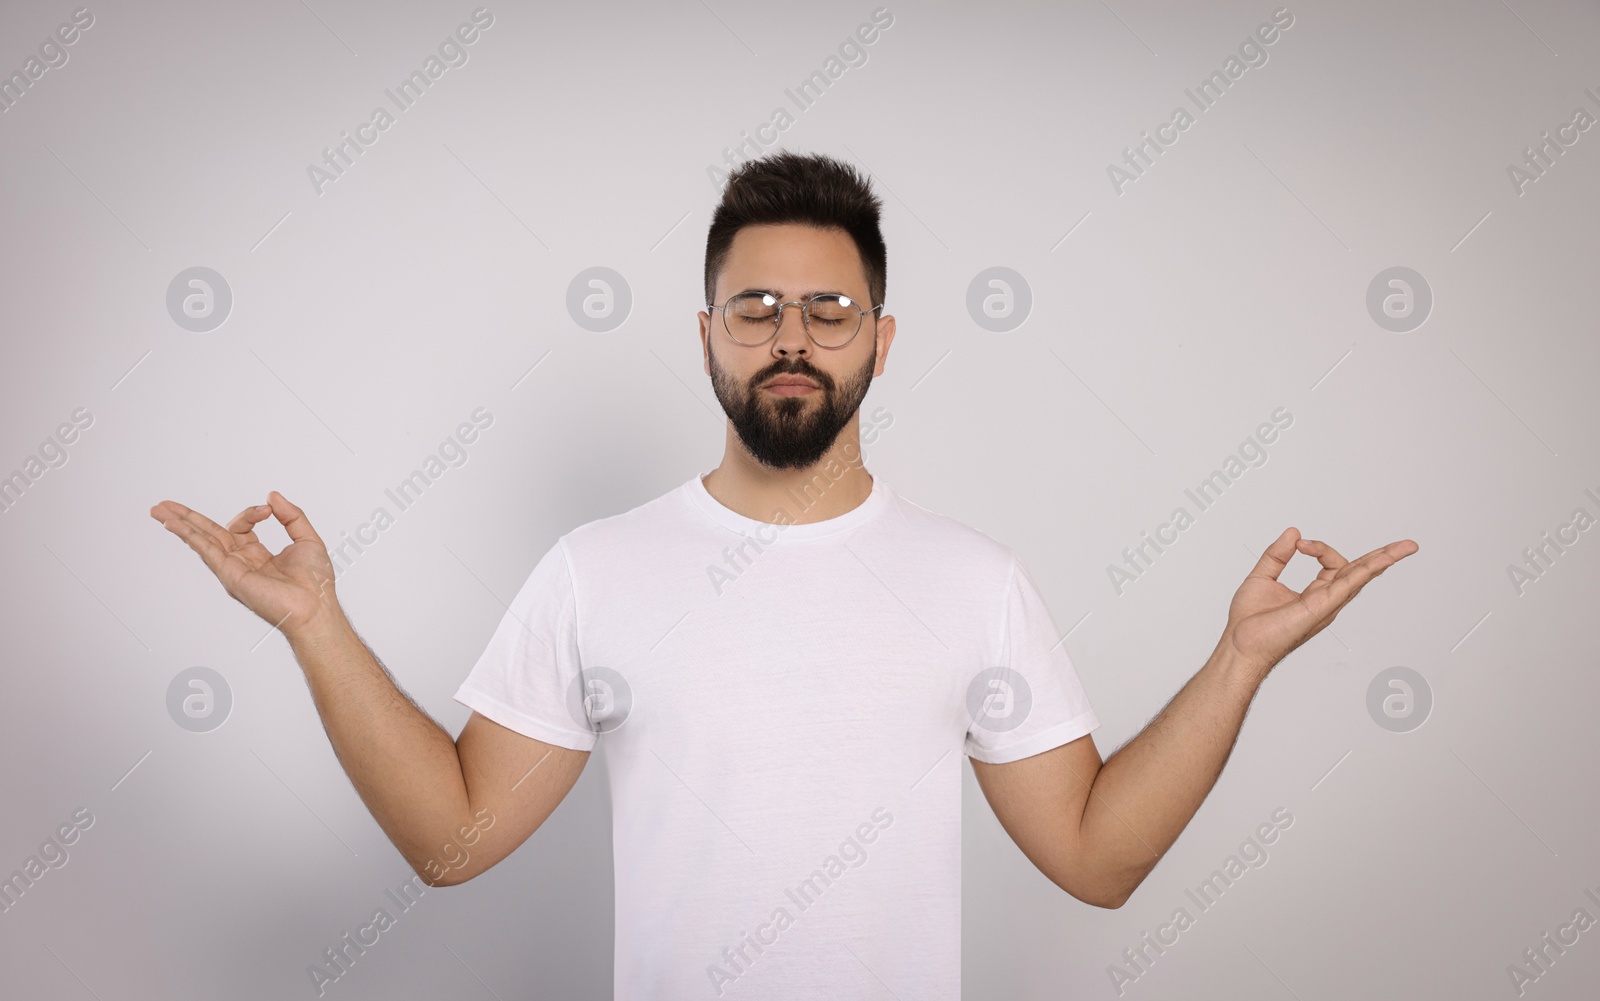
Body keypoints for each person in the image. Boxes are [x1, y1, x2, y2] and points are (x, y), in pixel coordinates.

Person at [149, 150, 1417, 999]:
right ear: (707, 335)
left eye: (829, 310)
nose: (791, 340)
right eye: (754, 309)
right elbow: (455, 838)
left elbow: (1094, 858)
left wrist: (1239, 659)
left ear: (882, 338)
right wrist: (315, 624)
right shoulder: (601, 570)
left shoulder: (970, 579)